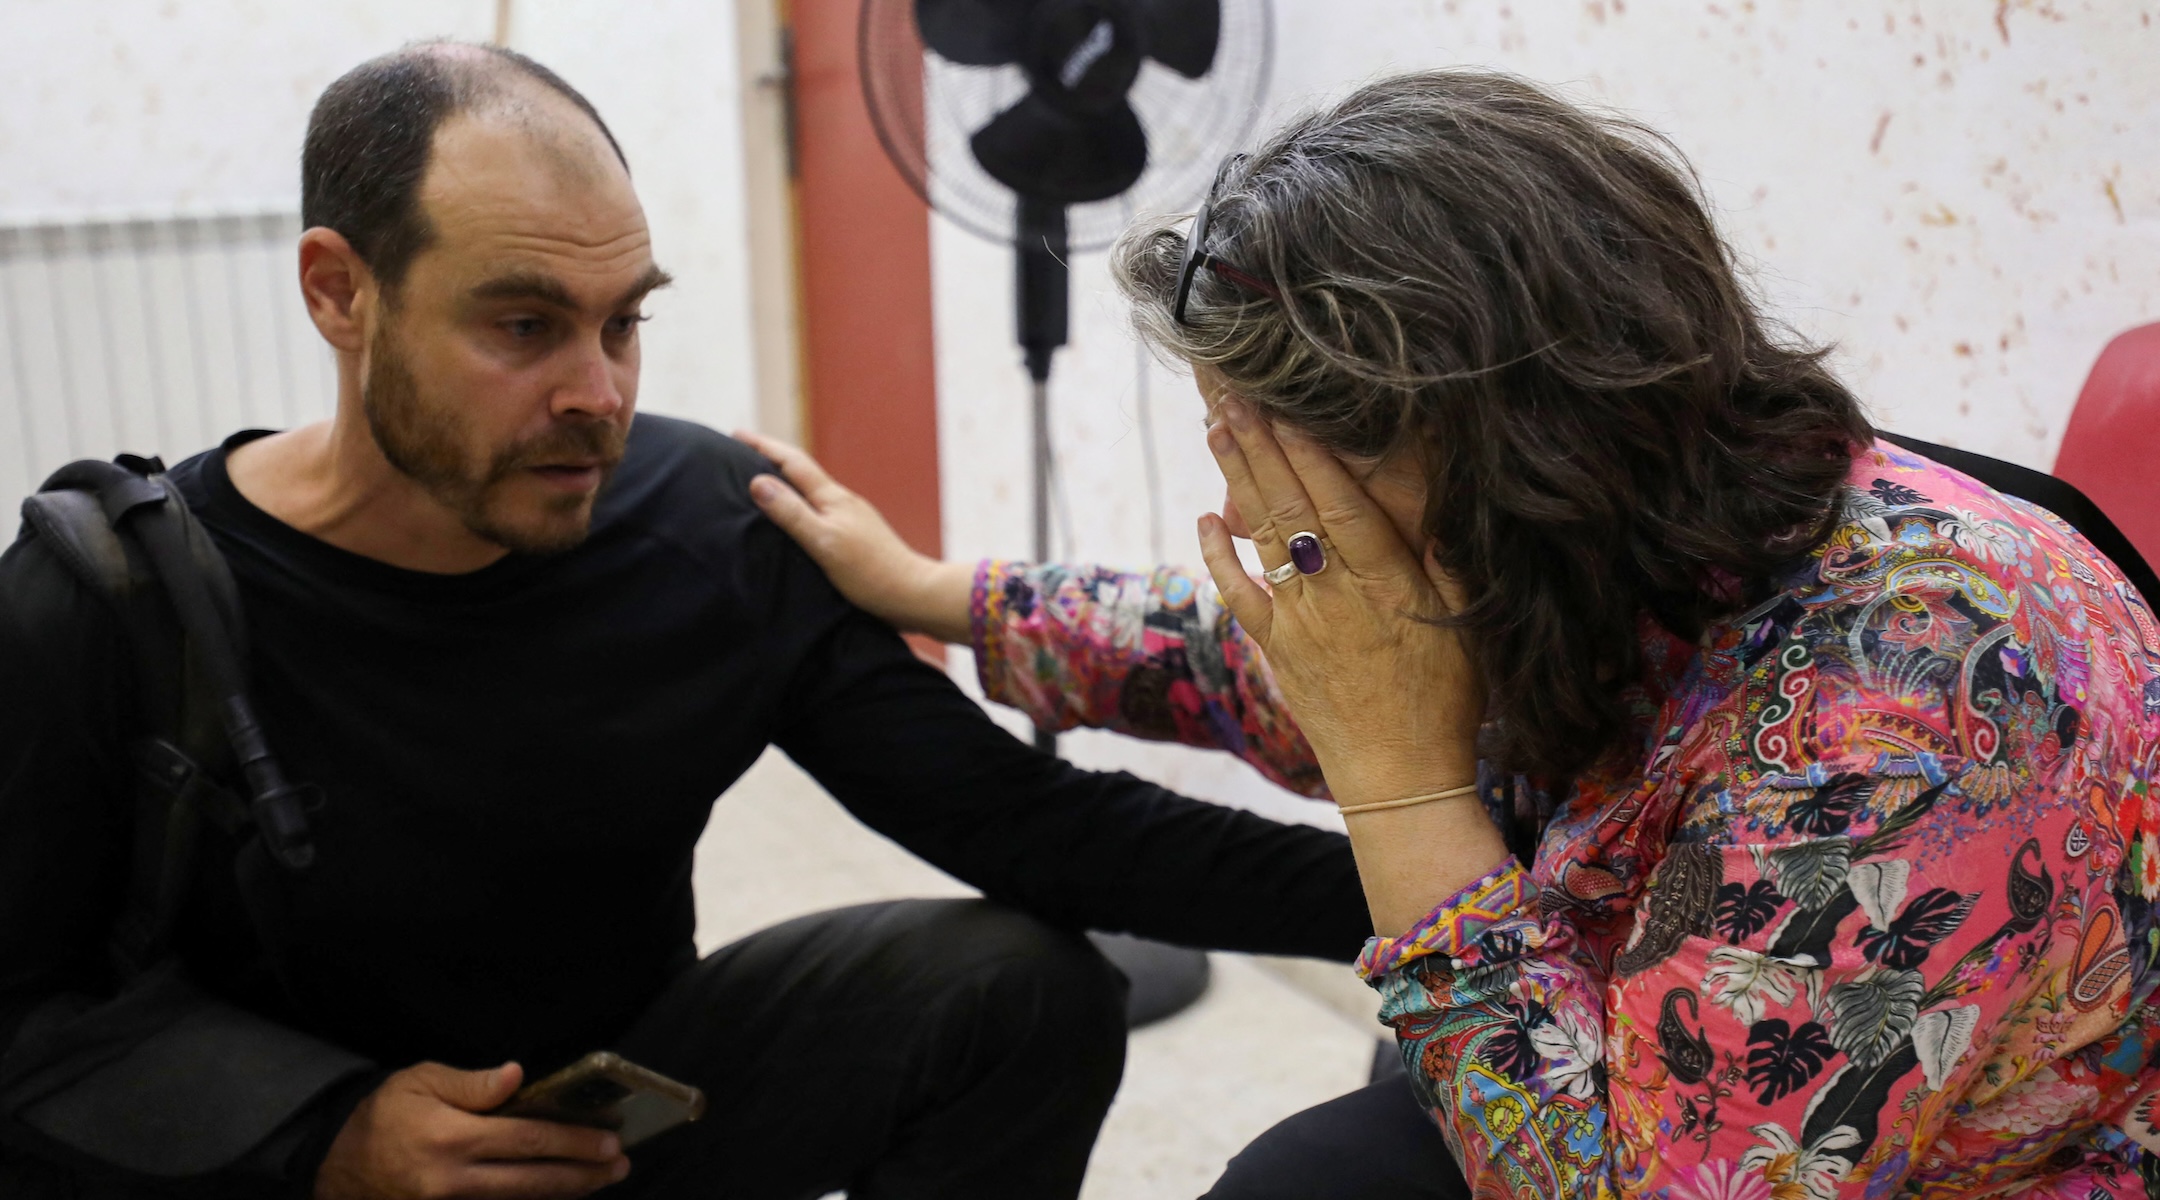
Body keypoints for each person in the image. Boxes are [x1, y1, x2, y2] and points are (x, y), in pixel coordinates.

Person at [744, 70, 2160, 1198]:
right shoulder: (1604, 530)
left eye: (1271, 463)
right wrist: (949, 594)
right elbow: (1275, 648)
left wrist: (1405, 791)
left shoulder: (1912, 694)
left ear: (1481, 440)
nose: (1244, 498)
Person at [0, 43, 1376, 1200]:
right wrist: (327, 1134)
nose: (599, 392)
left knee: (1017, 990)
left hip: (616, 1124)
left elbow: (1030, 830)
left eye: (623, 324)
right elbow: (32, 1031)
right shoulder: (116, 598)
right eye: (524, 327)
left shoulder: (710, 525)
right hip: (292, 1159)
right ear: (339, 291)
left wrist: (1435, 897)